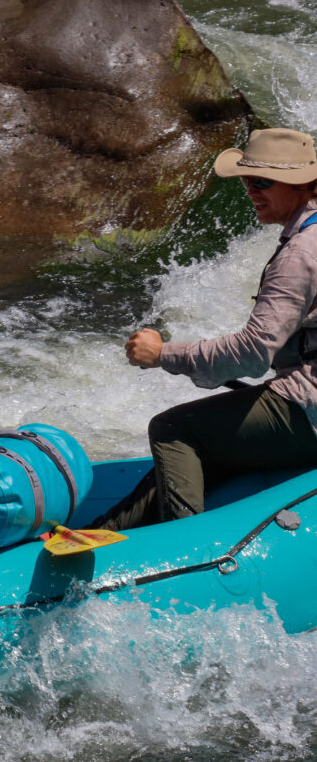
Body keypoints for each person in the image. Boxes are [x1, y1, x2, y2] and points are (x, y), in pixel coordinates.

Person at [94, 127, 317, 531]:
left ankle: (185, 548)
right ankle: (105, 531)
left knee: (173, 428)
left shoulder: (300, 254)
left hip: (311, 409)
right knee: (208, 438)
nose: (251, 190)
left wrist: (162, 354)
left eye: (262, 181)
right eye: (247, 181)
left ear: (302, 183)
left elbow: (251, 354)